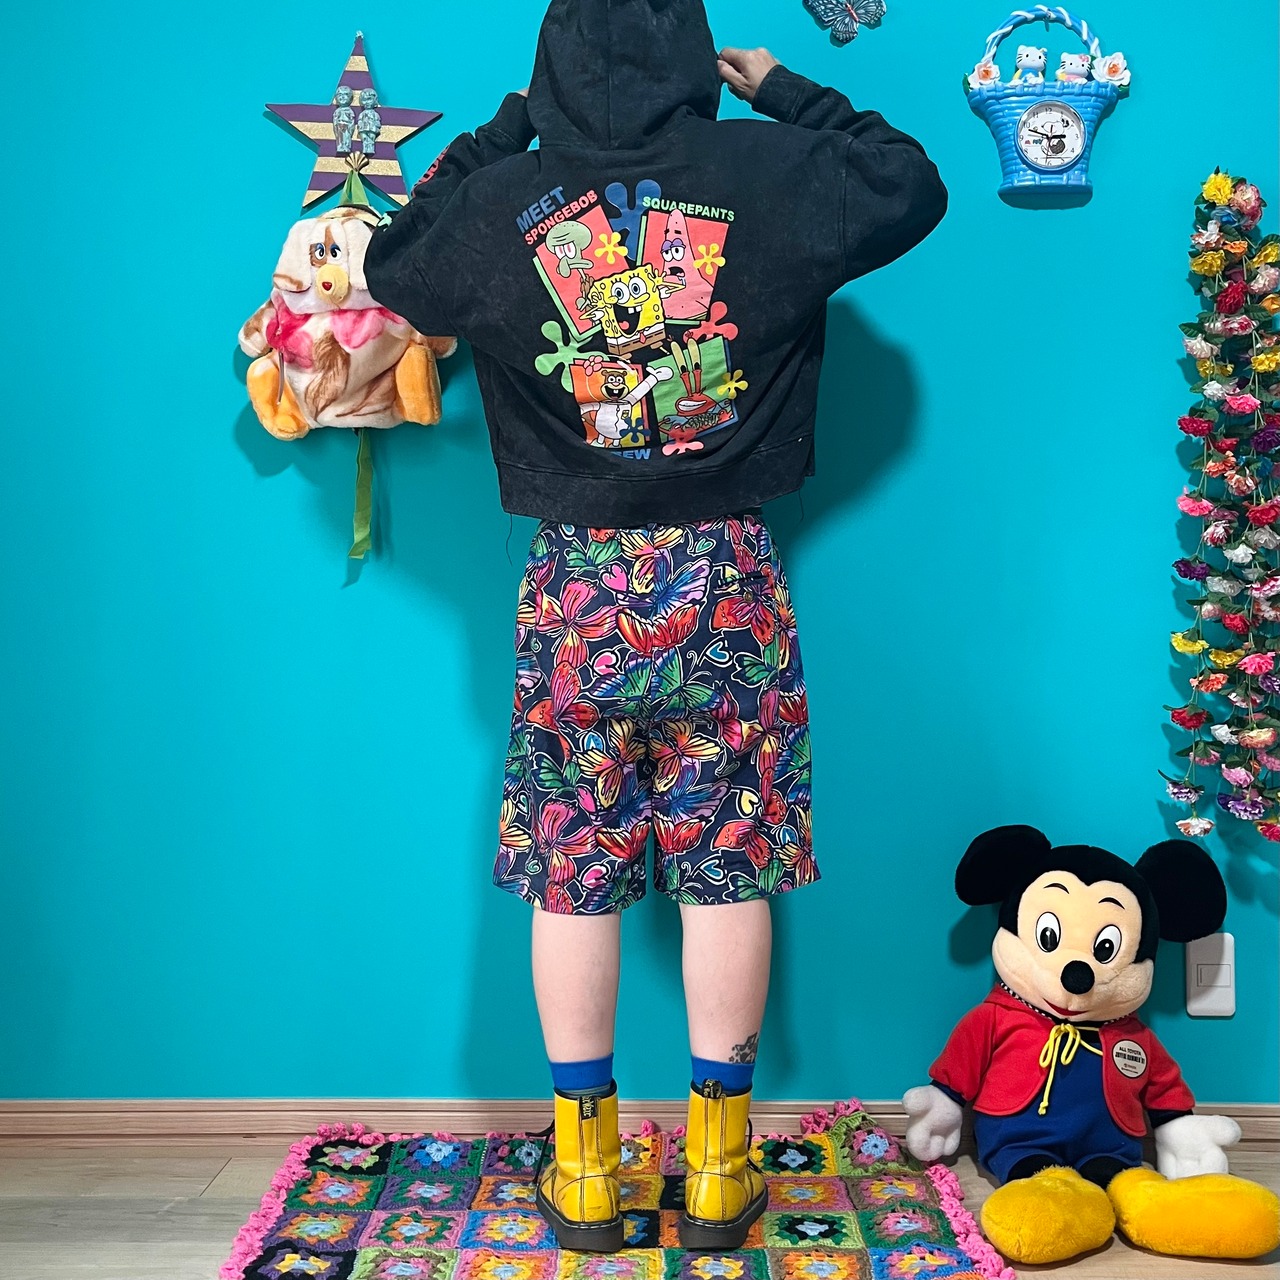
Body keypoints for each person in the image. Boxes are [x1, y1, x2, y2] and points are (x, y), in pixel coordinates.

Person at [364, 0, 946, 1254]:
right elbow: (910, 181)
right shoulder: (769, 170)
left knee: (571, 870)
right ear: (693, 52)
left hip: (575, 586)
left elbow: (392, 262)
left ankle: (585, 1173)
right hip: (725, 573)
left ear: (548, 67)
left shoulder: (502, 198)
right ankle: (720, 1170)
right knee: (727, 864)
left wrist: (505, 133)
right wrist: (783, 89)